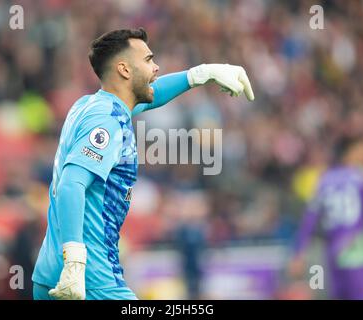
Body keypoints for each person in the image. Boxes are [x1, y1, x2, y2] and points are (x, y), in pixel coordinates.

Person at [31, 28, 254, 300]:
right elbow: (71, 184)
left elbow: (152, 95)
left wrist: (201, 74)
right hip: (92, 279)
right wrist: (76, 262)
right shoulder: (108, 119)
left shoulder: (89, 106)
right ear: (124, 69)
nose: (156, 67)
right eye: (148, 60)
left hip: (50, 276)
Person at [289, 136, 363, 299]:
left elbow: (309, 219)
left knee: (329, 293)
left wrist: (299, 252)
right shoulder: (361, 178)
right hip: (355, 246)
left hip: (329, 250)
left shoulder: (324, 180)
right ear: (351, 152)